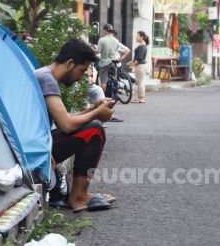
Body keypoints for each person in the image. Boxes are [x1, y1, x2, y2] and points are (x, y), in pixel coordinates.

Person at [35, 39, 116, 212]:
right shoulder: (47, 79)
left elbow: (63, 118)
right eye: (81, 70)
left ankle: (79, 194)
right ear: (70, 63)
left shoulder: (44, 75)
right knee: (95, 131)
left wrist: (93, 108)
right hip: (33, 150)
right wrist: (97, 114)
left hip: (36, 144)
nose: (81, 77)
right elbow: (66, 125)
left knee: (92, 127)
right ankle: (78, 196)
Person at [96, 24, 128, 95]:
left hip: (104, 63)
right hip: (114, 63)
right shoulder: (116, 41)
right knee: (114, 78)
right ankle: (115, 91)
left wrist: (93, 50)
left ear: (105, 30)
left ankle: (103, 97)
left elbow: (98, 51)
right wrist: (120, 59)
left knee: (103, 82)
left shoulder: (102, 40)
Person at [127, 31, 150, 103]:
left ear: (141, 37)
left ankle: (141, 98)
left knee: (140, 82)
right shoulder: (142, 46)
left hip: (140, 66)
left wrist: (132, 65)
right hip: (140, 65)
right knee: (139, 82)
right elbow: (137, 57)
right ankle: (140, 98)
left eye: (137, 36)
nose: (136, 37)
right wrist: (131, 62)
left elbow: (139, 58)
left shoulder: (142, 46)